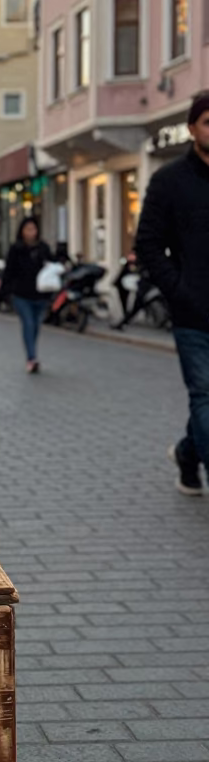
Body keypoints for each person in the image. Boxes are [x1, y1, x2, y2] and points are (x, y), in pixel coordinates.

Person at [135, 92, 209, 496]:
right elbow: (146, 243)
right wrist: (178, 291)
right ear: (192, 128)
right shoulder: (169, 181)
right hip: (193, 315)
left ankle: (187, 453)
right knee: (204, 395)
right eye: (208, 122)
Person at [0, 216, 52, 374]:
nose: (31, 232)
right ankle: (31, 358)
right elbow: (9, 271)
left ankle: (32, 353)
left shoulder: (43, 248)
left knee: (35, 326)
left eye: (33, 229)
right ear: (22, 231)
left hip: (41, 295)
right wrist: (4, 292)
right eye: (28, 229)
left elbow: (52, 264)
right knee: (29, 324)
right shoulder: (16, 249)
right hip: (21, 295)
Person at [112, 251, 153, 330]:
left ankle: (124, 321)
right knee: (132, 305)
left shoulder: (141, 263)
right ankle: (125, 320)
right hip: (131, 285)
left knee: (136, 306)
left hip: (142, 287)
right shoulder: (132, 264)